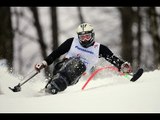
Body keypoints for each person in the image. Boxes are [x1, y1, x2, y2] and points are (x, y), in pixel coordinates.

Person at [35, 23, 132, 95]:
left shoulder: (99, 48)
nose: (85, 40)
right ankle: (48, 89)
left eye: (87, 36)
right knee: (73, 63)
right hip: (61, 67)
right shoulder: (71, 42)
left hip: (75, 74)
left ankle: (53, 87)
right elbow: (57, 53)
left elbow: (112, 59)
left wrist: (122, 66)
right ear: (78, 37)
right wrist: (44, 63)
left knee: (79, 64)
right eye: (82, 37)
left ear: (92, 35)